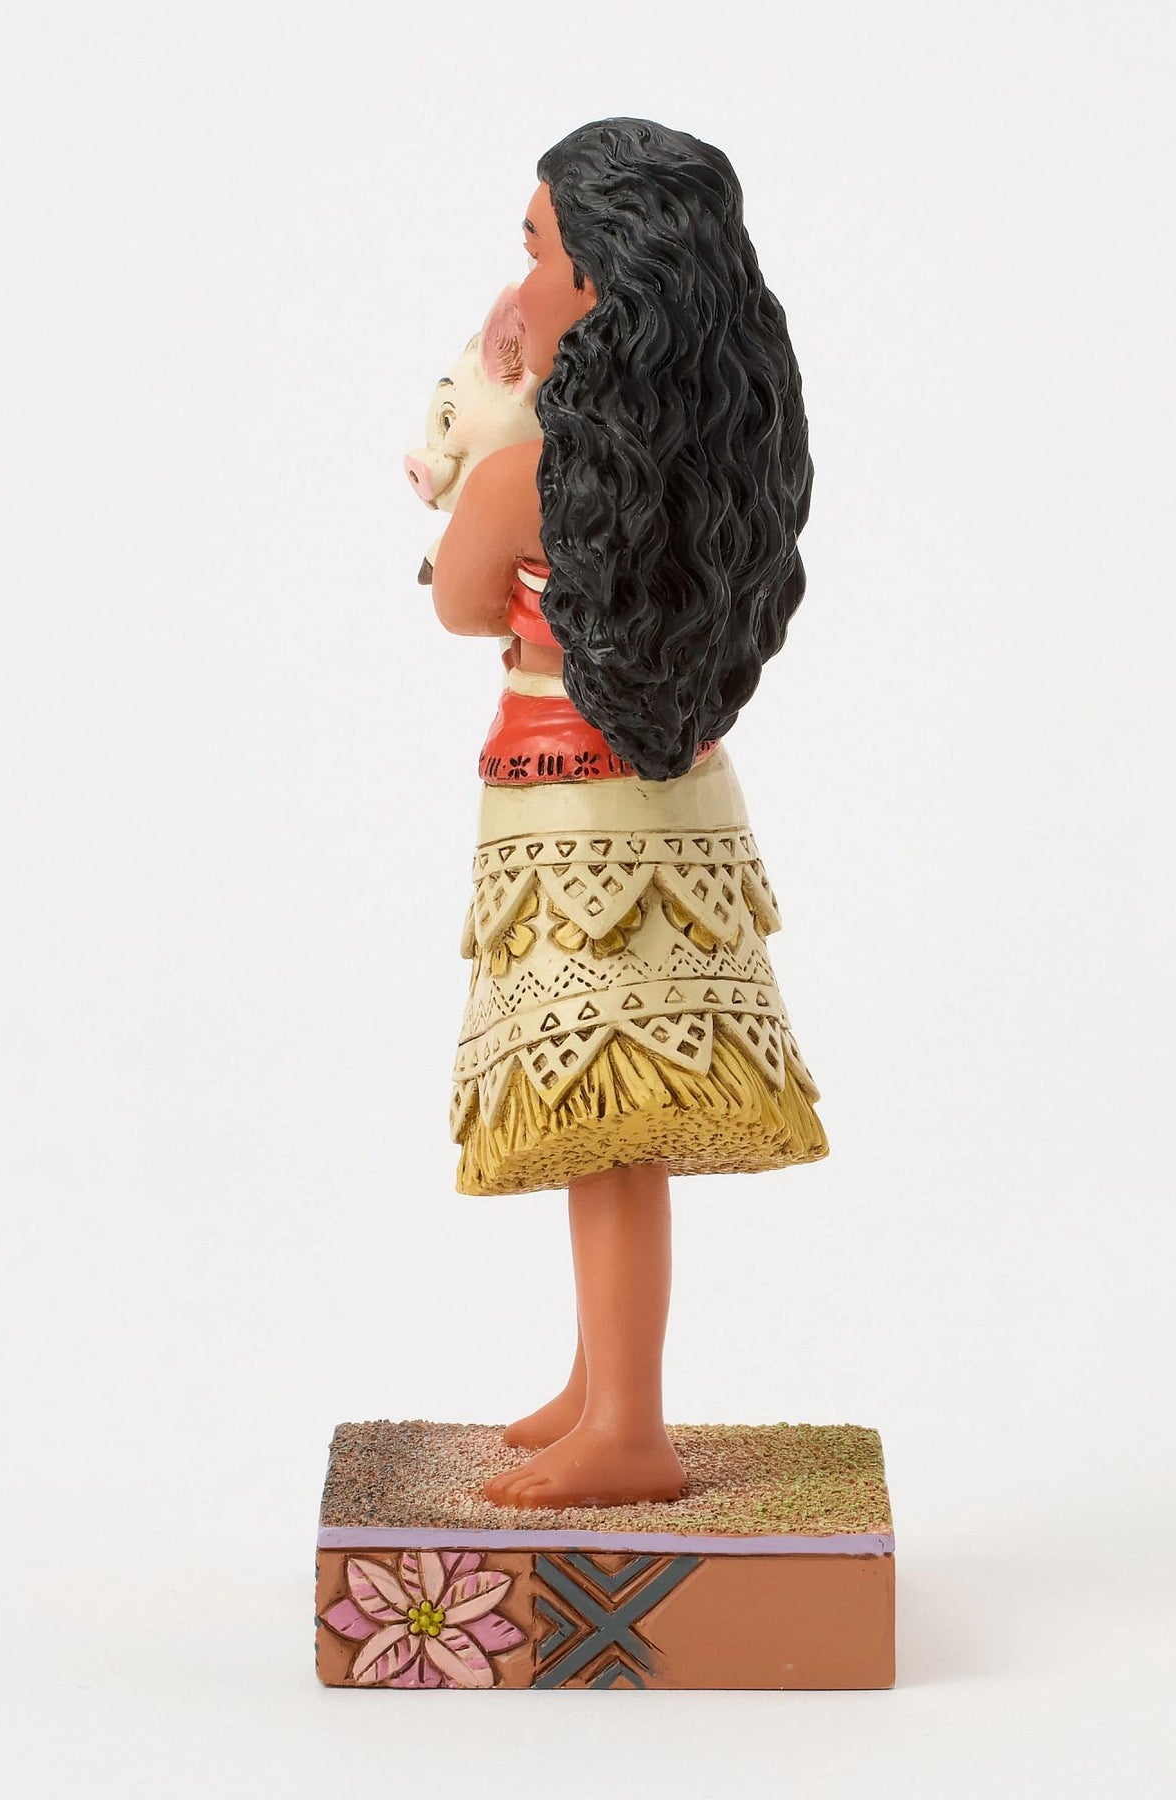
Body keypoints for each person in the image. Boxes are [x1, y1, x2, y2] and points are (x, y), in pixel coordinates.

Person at [432, 119, 827, 1508]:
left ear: (600, 283)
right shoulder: (720, 467)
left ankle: (629, 1427)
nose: (518, 283)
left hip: (566, 824)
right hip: (683, 805)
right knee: (611, 1120)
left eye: (537, 251)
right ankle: (599, 1384)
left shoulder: (526, 477)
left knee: (605, 1132)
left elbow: (460, 603)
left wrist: (496, 417)